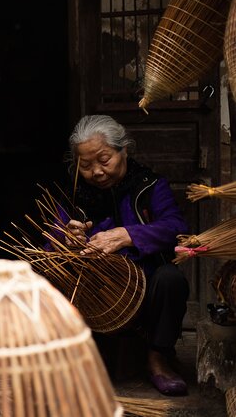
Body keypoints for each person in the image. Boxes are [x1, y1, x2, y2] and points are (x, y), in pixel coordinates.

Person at [62, 114, 190, 396]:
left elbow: (177, 229)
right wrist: (67, 242)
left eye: (104, 160)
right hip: (97, 297)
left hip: (146, 289)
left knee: (171, 278)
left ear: (124, 151)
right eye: (85, 165)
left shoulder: (150, 186)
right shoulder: (73, 195)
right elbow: (50, 246)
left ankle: (158, 357)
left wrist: (128, 235)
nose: (96, 171)